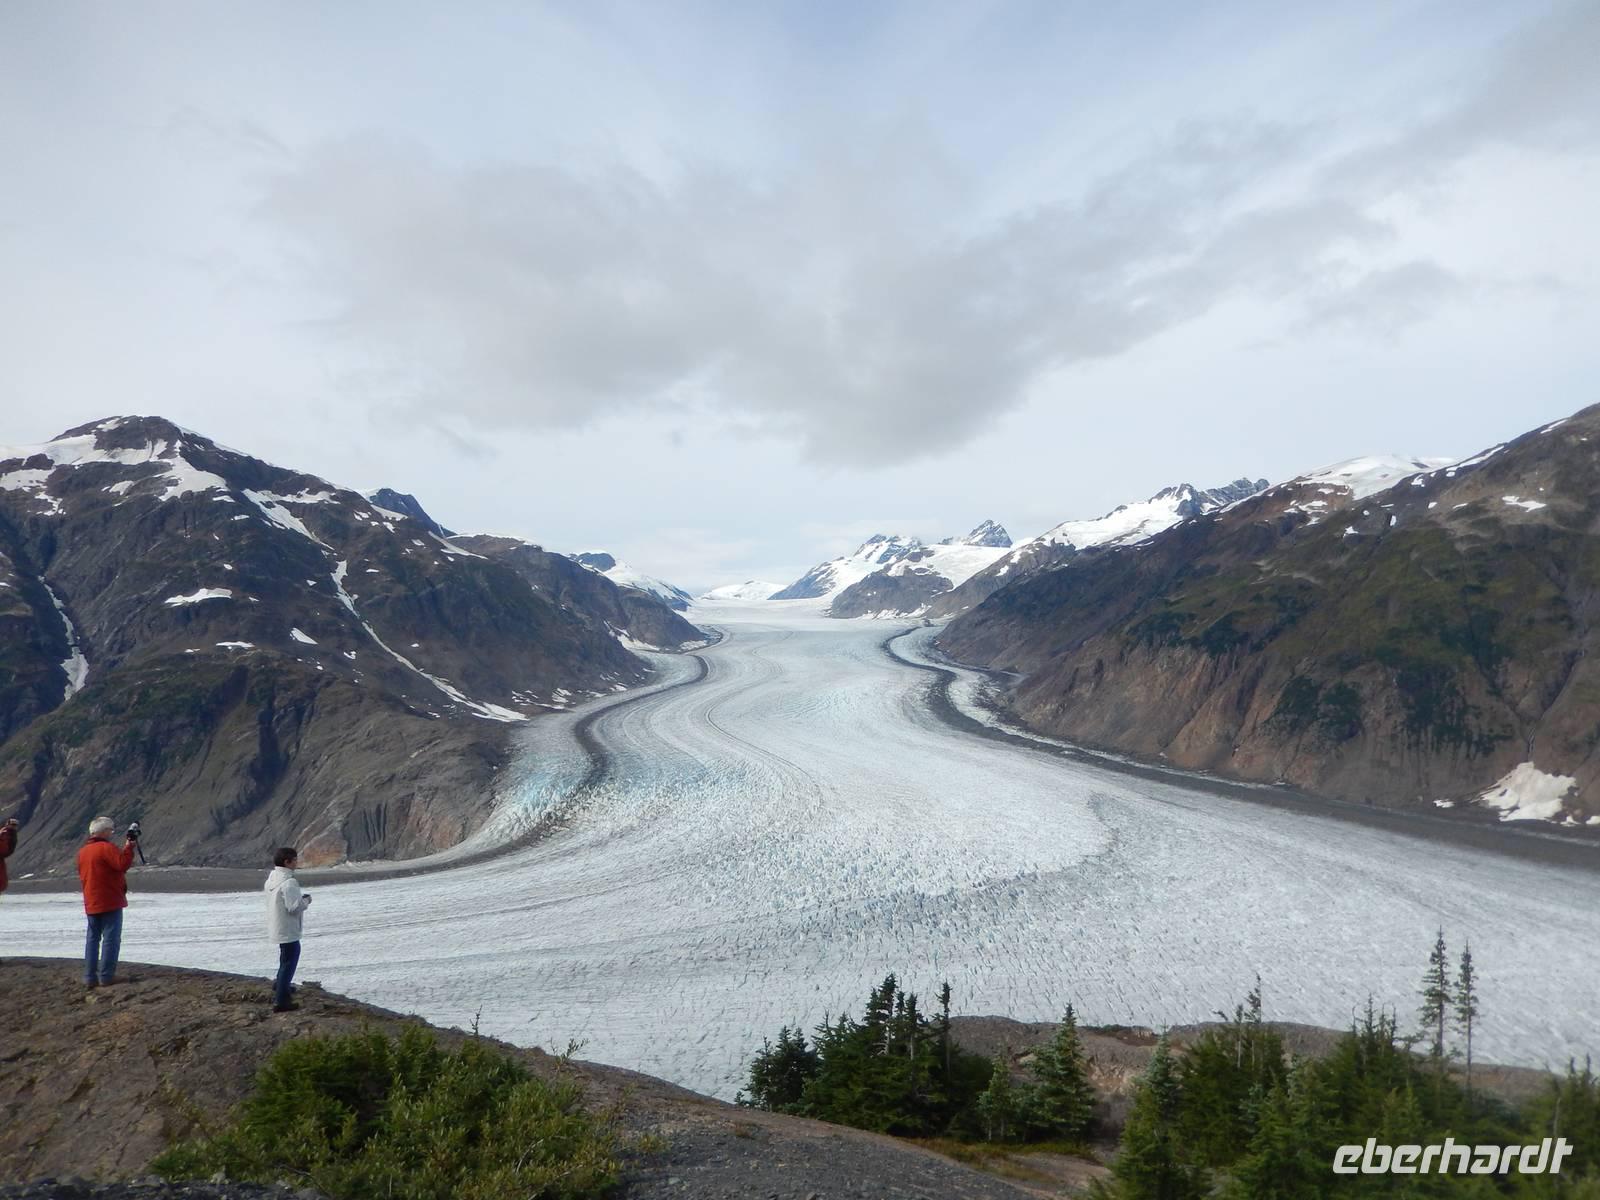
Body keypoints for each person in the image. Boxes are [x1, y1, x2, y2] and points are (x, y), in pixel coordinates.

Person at [77, 816, 136, 988]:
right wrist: (129, 847)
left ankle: (89, 976)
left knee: (93, 938)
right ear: (103, 832)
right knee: (111, 938)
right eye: (110, 830)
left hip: (91, 899)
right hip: (109, 899)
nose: (112, 833)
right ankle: (106, 975)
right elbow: (122, 864)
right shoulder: (105, 848)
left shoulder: (83, 852)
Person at [264, 847, 312, 1012]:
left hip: (277, 925)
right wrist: (306, 901)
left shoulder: (271, 879)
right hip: (288, 928)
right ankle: (281, 1000)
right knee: (290, 961)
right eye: (295, 860)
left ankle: (281, 985)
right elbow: (293, 907)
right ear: (287, 862)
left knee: (285, 958)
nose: (297, 863)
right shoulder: (289, 882)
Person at [0, 816, 18, 898]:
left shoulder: (7, 833)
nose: (13, 826)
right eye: (12, 824)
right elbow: (4, 850)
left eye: (15, 825)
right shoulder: (5, 833)